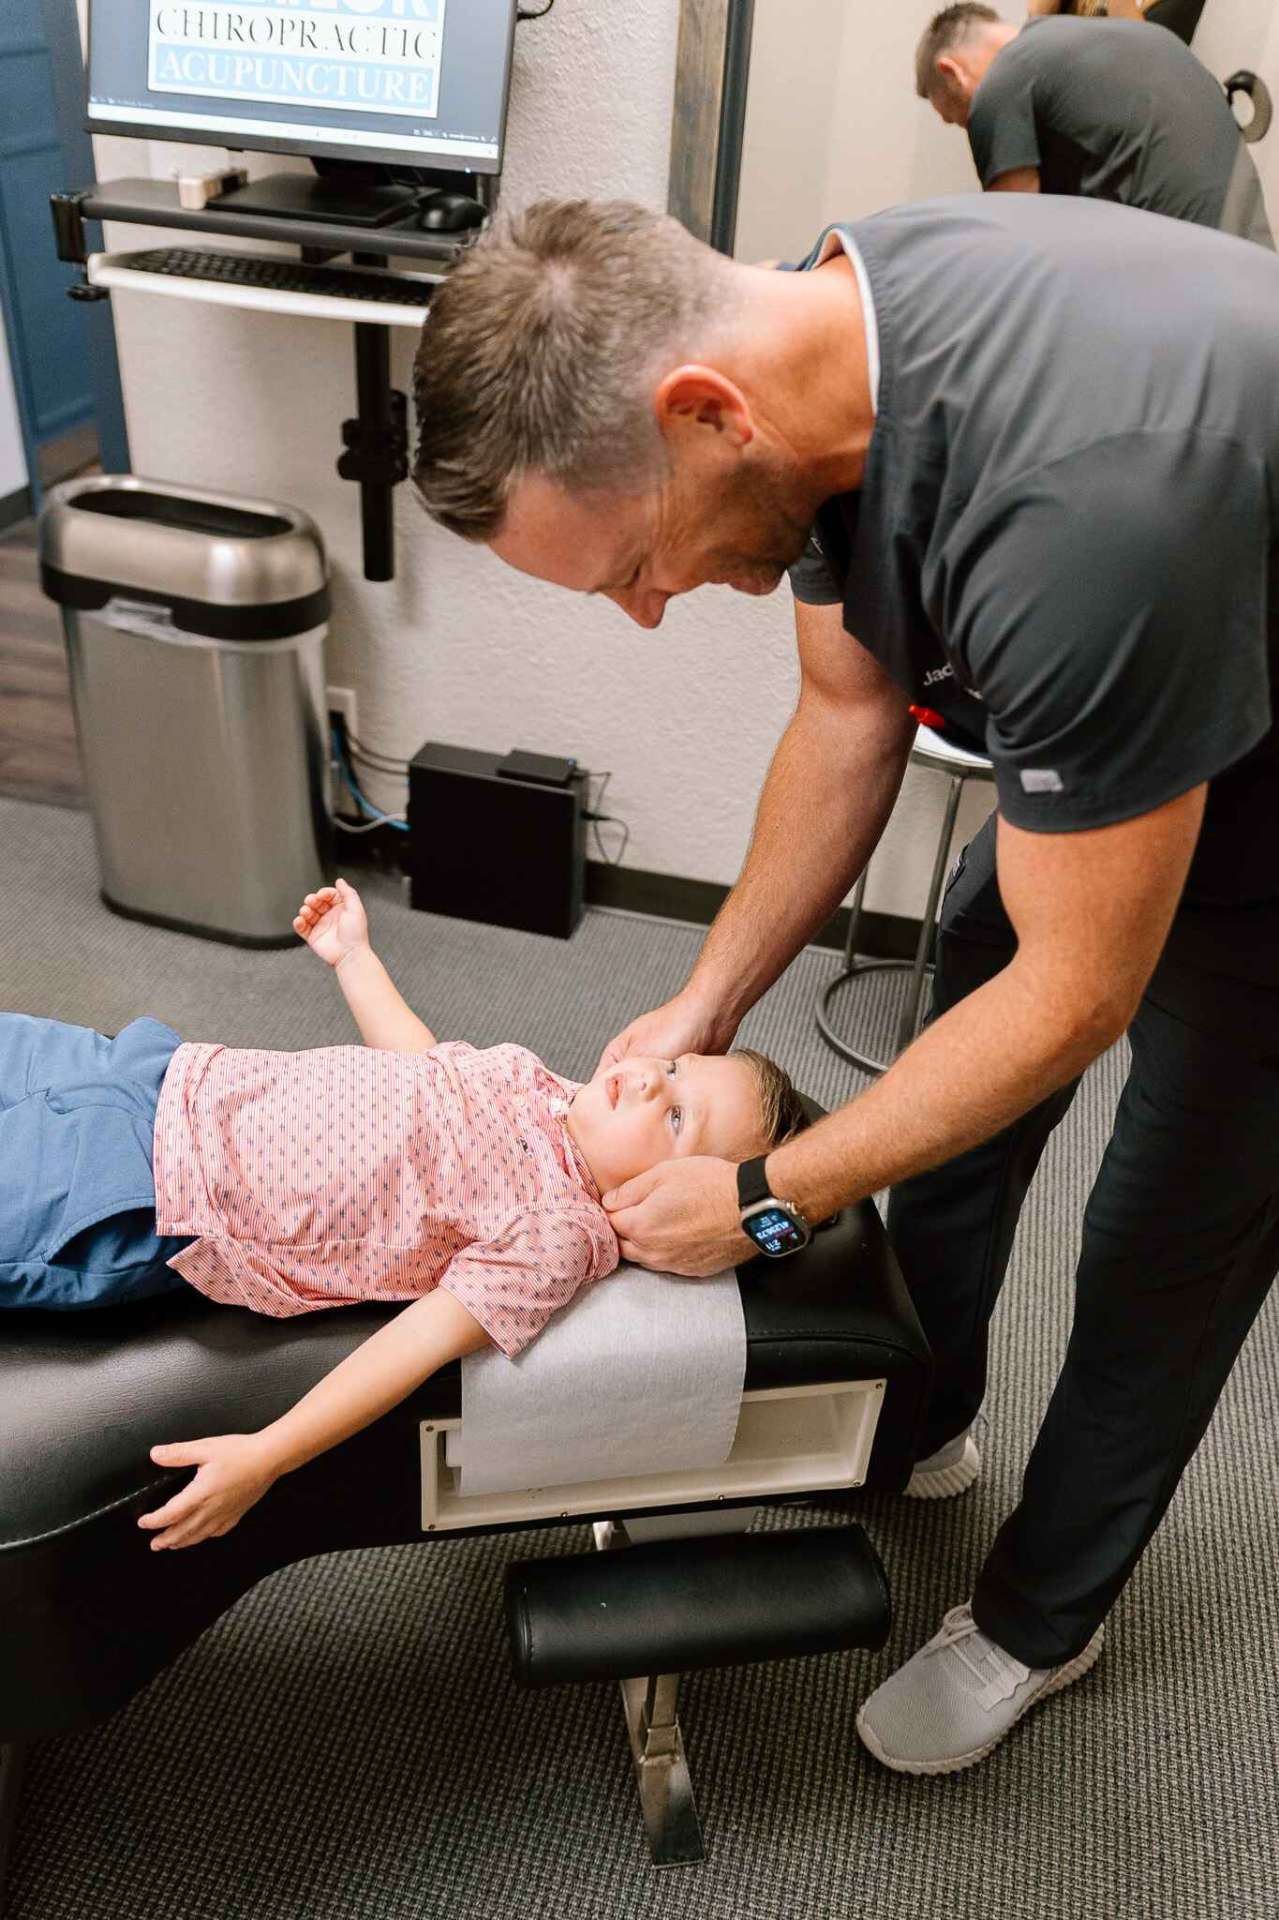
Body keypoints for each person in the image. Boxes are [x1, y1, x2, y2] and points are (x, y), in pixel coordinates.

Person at [410, 194, 1279, 1774]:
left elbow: (1081, 992)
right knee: (949, 1094)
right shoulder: (810, 346)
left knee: (1160, 1233)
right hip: (1096, 744)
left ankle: (1037, 1619)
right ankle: (917, 1411)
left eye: (627, 566)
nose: (650, 606)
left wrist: (766, 1194)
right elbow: (844, 717)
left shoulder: (1082, 506)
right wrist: (704, 1007)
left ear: (702, 416)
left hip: (1258, 812)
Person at [2, 877, 807, 1551]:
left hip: (148, 1192)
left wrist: (270, 1454)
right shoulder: (544, 1088)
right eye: (673, 1066)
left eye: (676, 1119)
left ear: (670, 1196)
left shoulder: (561, 1230)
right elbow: (425, 1069)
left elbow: (419, 1341)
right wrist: (355, 959)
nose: (651, 1080)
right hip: (154, 1074)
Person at [916, 4, 1271, 244]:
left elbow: (1016, 241)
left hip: (1184, 267)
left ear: (952, 71)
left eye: (959, 118)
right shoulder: (1141, 40)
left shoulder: (1003, 77)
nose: (972, 127)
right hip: (1253, 253)